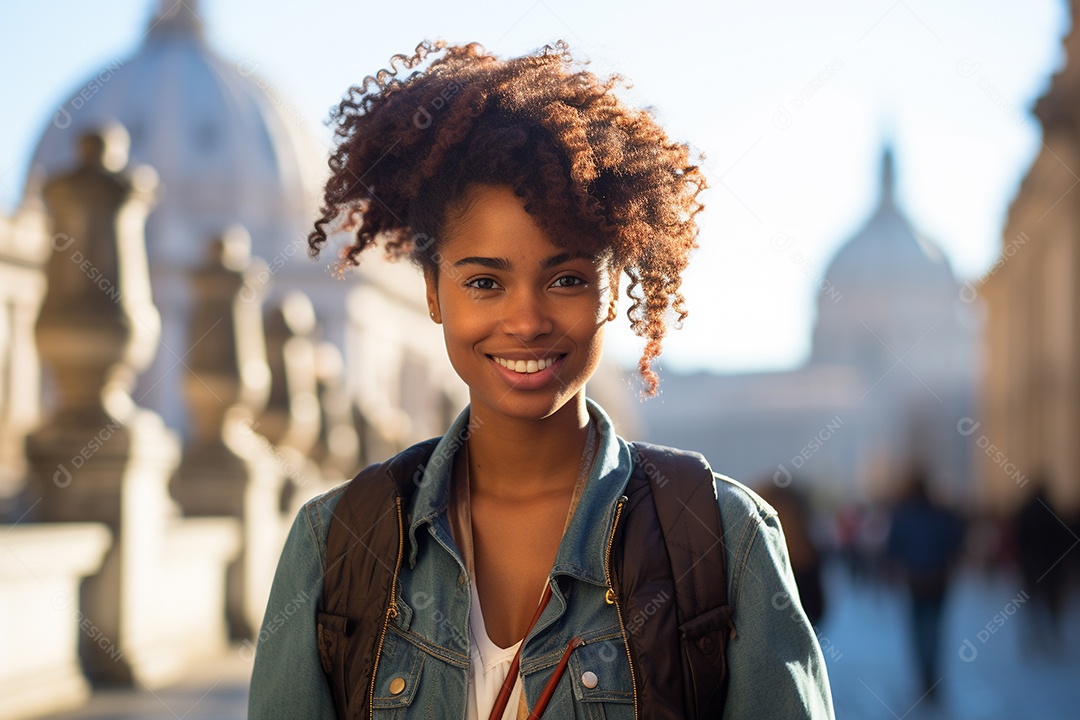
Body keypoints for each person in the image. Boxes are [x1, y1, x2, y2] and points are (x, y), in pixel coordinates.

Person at [248, 40, 835, 719]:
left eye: (566, 279)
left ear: (612, 293)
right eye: (484, 282)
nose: (525, 320)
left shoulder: (725, 541)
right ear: (433, 295)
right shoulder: (334, 545)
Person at [885, 466, 964, 700]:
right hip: (938, 579)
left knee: (919, 629)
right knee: (935, 628)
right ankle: (931, 675)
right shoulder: (941, 514)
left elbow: (893, 548)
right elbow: (955, 543)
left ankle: (924, 677)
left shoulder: (903, 515)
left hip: (915, 580)